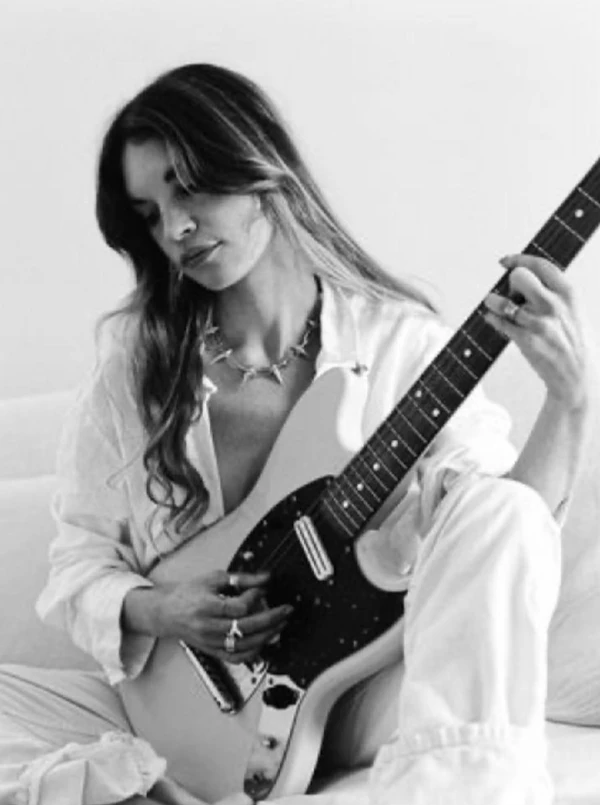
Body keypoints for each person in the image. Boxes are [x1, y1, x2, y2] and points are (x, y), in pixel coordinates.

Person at [0, 62, 591, 805]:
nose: (175, 229)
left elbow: (499, 539)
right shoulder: (134, 375)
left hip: (361, 692)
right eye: (149, 213)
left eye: (189, 187)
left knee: (497, 507)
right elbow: (77, 564)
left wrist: (569, 401)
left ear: (257, 165)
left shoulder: (400, 344)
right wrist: (163, 608)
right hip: (178, 708)